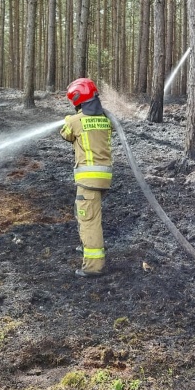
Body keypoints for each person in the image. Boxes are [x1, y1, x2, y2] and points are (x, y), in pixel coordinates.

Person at [60, 78, 113, 278]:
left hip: (88, 180)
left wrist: (68, 120)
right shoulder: (106, 120)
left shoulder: (75, 121)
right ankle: (86, 245)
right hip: (103, 178)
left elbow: (65, 135)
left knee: (89, 219)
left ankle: (93, 266)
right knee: (83, 213)